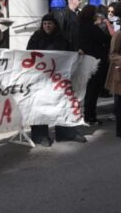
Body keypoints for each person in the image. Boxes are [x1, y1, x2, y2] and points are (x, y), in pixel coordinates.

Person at [26, 14, 69, 146]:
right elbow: (29, 54)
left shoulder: (61, 38)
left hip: (58, 77)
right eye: (45, 24)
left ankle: (65, 133)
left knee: (61, 104)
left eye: (50, 23)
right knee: (40, 105)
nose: (47, 26)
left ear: (55, 25)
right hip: (40, 77)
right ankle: (40, 135)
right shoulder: (36, 37)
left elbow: (69, 53)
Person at [78, 5, 111, 125]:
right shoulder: (91, 27)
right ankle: (90, 116)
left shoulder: (79, 27)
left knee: (88, 90)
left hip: (85, 61)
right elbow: (105, 39)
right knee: (93, 90)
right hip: (95, 61)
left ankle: (87, 114)